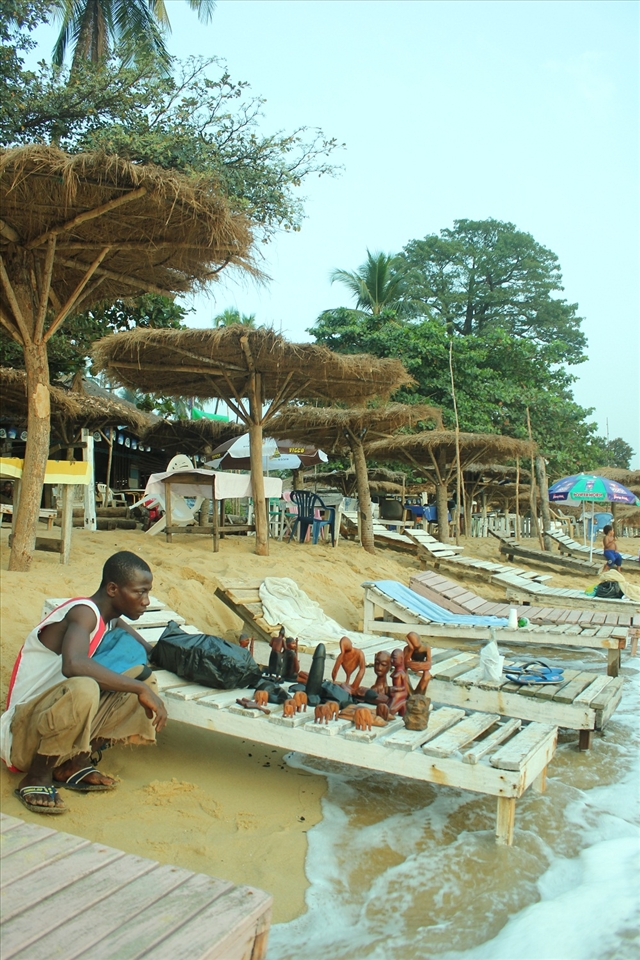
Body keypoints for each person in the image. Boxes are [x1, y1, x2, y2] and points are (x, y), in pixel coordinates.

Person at [1, 551, 167, 815]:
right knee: (86, 685)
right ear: (113, 589)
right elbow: (73, 665)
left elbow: (138, 642)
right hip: (22, 736)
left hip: (52, 731)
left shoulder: (107, 617)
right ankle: (37, 777)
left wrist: (151, 671)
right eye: (140, 592)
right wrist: (140, 689)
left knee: (144, 675)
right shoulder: (83, 614)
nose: (146, 601)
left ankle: (73, 765)